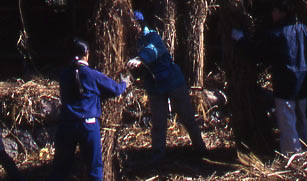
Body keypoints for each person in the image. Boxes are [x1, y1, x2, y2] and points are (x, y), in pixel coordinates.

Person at [233, 0, 307, 154]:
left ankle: (293, 159)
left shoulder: (275, 35)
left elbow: (256, 53)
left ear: (282, 13)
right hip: (303, 85)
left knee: (287, 124)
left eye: (275, 10)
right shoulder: (305, 30)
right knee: (302, 119)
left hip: (285, 86)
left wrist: (240, 40)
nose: (272, 13)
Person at [127, 11, 206, 160]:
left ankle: (201, 149)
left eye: (134, 24)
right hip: (155, 87)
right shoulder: (133, 42)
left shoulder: (152, 36)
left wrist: (140, 59)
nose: (132, 27)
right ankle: (158, 155)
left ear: (140, 24)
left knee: (187, 117)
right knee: (158, 122)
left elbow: (153, 50)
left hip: (173, 82)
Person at [51, 38, 128, 181]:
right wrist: (125, 82)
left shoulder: (64, 75)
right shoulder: (92, 75)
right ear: (86, 54)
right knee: (94, 167)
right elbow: (116, 89)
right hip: (88, 125)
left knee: (60, 168)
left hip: (67, 124)